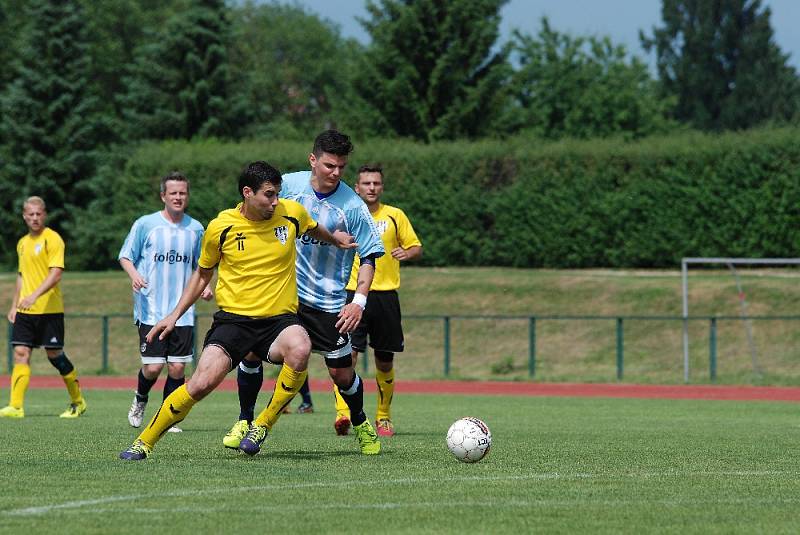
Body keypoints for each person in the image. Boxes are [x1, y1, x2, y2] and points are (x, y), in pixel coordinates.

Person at [119, 161, 359, 460]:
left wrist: (336, 239)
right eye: (269, 195)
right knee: (200, 384)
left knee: (300, 347)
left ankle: (262, 424)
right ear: (248, 193)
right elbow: (202, 274)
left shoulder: (291, 214)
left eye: (277, 194)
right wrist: (173, 314)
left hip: (279, 320)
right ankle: (144, 442)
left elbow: (313, 227)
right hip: (233, 322)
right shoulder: (222, 227)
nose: (275, 201)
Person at [224, 130, 385, 452]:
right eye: (329, 165)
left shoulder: (352, 207)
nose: (336, 173)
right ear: (313, 160)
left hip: (328, 303)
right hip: (283, 297)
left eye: (341, 166)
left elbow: (369, 256)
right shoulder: (287, 188)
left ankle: (361, 422)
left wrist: (359, 302)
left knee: (341, 373)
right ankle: (245, 420)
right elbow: (249, 218)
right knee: (252, 350)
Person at [118, 171, 212, 433]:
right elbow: (126, 256)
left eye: (183, 193)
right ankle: (140, 398)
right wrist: (135, 274)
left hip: (182, 312)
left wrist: (204, 288)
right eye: (173, 193)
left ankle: (168, 417)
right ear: (163, 196)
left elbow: (201, 266)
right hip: (151, 310)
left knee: (178, 367)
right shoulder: (146, 224)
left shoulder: (196, 229)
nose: (178, 197)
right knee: (154, 367)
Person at [335, 164, 422, 437]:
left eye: (376, 183)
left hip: (386, 296)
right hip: (352, 293)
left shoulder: (395, 216)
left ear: (381, 187)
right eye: (366, 183)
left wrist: (408, 254)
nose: (371, 188)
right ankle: (343, 414)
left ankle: (383, 417)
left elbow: (416, 246)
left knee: (384, 360)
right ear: (357, 187)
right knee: (346, 356)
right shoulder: (346, 214)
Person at [1, 196, 87, 419]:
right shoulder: (22, 243)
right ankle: (16, 406)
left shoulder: (53, 239)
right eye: (31, 214)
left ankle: (78, 402)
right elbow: (21, 276)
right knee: (20, 352)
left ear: (45, 215)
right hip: (25, 311)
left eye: (39, 214)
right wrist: (14, 305)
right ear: (24, 216)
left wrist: (34, 296)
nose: (35, 218)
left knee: (55, 355)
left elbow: (56, 273)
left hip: (50, 310)